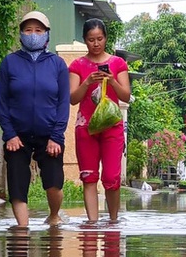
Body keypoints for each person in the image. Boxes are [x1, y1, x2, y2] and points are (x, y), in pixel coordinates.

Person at [0, 11, 70, 227]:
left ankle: (54, 215)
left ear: (46, 35)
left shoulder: (57, 65)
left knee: (54, 184)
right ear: (21, 34)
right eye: (28, 30)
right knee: (17, 187)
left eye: (38, 30)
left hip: (49, 135)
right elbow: (2, 102)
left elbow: (63, 103)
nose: (33, 34)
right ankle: (22, 229)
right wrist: (9, 134)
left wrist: (56, 136)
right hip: (17, 136)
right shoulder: (9, 63)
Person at [69, 18, 131, 222]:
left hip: (111, 126)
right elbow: (73, 98)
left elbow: (125, 96)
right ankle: (93, 223)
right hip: (86, 127)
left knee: (112, 177)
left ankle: (113, 221)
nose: (96, 44)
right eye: (91, 40)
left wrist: (112, 80)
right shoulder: (77, 65)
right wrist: (87, 82)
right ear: (85, 40)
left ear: (106, 38)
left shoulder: (117, 63)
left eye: (100, 39)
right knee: (88, 176)